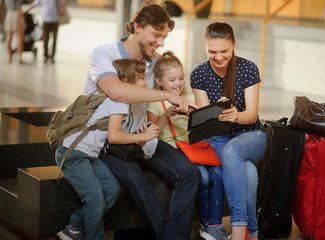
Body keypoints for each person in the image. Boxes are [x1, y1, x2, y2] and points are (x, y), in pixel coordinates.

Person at [83, 4, 199, 240]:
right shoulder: (102, 54)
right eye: (156, 35)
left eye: (164, 37)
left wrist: (183, 103)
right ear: (137, 27)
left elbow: (173, 80)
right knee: (138, 181)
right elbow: (117, 92)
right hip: (108, 139)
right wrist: (167, 95)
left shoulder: (154, 62)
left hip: (141, 137)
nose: (161, 42)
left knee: (189, 173)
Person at [55, 59, 156, 240]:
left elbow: (117, 135)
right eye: (141, 78)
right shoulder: (119, 103)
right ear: (126, 81)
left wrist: (140, 139)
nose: (146, 82)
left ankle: (73, 227)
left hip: (90, 156)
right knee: (94, 199)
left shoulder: (123, 104)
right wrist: (143, 137)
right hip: (74, 154)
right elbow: (114, 137)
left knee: (111, 188)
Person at [190, 22, 267, 240]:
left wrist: (236, 115)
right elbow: (206, 125)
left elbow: (252, 114)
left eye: (224, 51)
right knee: (249, 174)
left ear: (234, 45)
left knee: (233, 151)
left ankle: (238, 229)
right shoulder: (199, 74)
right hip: (219, 139)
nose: (218, 57)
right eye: (212, 51)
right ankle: (252, 233)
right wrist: (217, 113)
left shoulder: (248, 68)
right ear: (205, 46)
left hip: (251, 136)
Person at [147, 51, 230, 240]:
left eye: (181, 78)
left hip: (194, 147)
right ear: (159, 82)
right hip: (175, 149)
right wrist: (165, 116)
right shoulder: (154, 103)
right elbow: (153, 134)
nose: (178, 84)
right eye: (172, 80)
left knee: (217, 174)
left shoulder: (189, 98)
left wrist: (199, 114)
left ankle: (215, 225)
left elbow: (206, 119)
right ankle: (205, 224)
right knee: (203, 177)